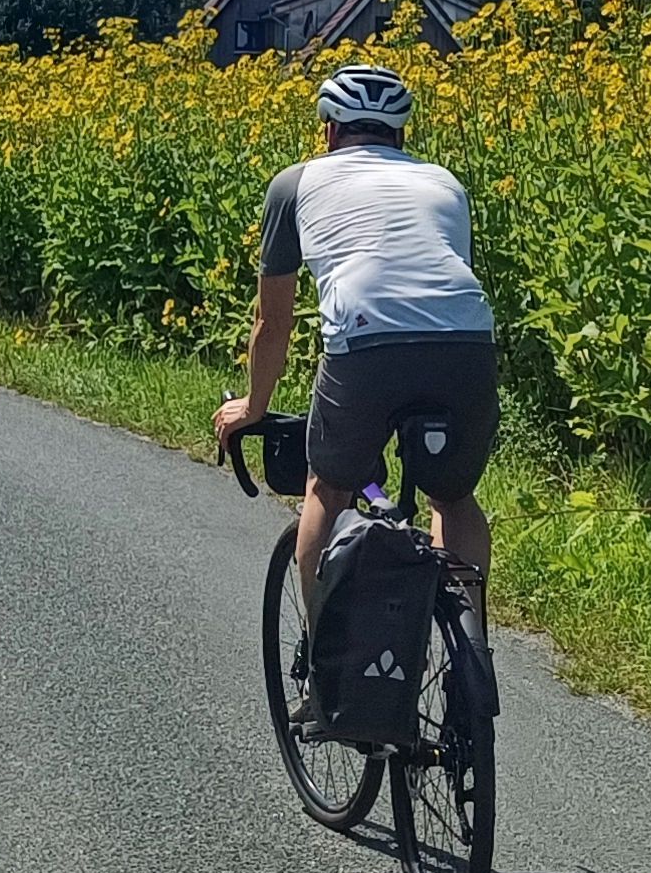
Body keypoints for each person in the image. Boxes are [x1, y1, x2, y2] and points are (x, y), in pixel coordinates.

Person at [211, 62, 499, 682]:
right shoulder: (445, 183)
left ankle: (328, 664)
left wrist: (254, 409)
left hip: (367, 349)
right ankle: (471, 656)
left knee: (329, 490)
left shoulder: (294, 185)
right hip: (469, 344)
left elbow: (274, 321)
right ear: (400, 134)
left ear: (329, 132)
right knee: (452, 495)